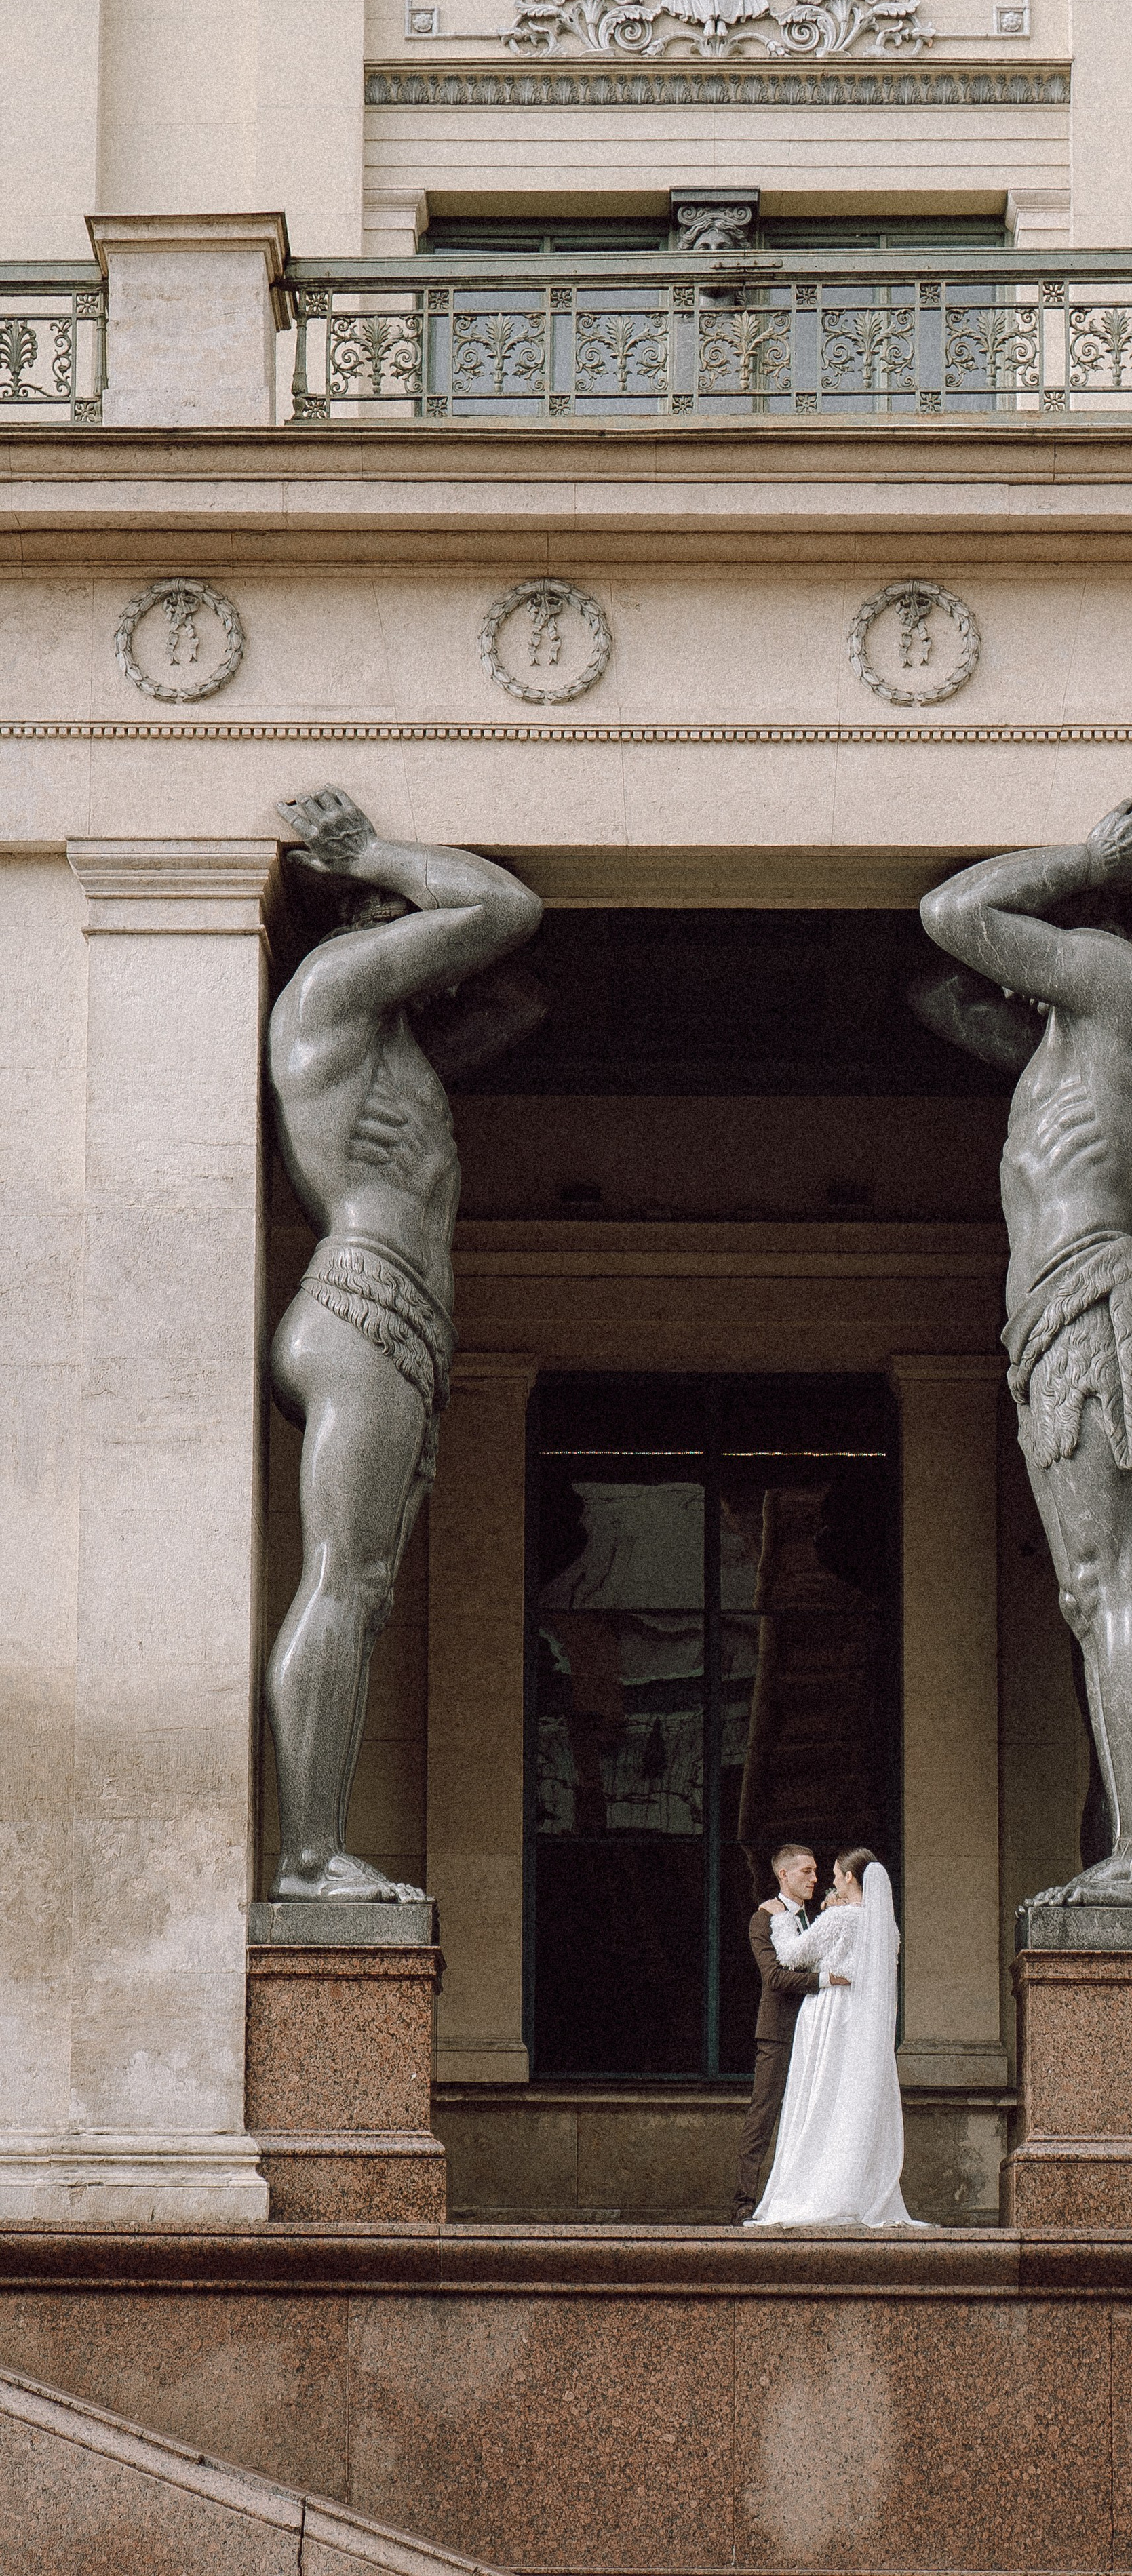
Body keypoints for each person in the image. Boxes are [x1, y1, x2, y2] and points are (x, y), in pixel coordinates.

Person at [914, 799, 1132, 1908]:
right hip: (1062, 1319)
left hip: (1092, 1305)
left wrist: (1086, 861)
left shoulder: (1123, 992)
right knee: (1100, 1594)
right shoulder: (1072, 1037)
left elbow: (953, 914)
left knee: (1109, 1582)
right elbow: (935, 991)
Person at [264, 787, 545, 1902]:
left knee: (363, 1588)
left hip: (401, 1324)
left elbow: (516, 998)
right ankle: (310, 1859)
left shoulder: (389, 1044)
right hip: (360, 1304)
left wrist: (428, 954)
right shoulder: (328, 990)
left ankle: (316, 1850)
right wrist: (375, 853)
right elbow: (504, 907)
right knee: (342, 1580)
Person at [749, 1849, 916, 2227]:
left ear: (852, 1879)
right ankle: (855, 2190)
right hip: (863, 2023)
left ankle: (812, 2188)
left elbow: (791, 1956)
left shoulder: (839, 1918)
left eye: (838, 1875)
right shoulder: (887, 1928)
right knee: (848, 2102)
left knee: (818, 2099)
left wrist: (780, 1922)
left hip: (830, 2017)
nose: (831, 1881)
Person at [733, 1842, 849, 2220]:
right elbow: (775, 1977)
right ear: (784, 1874)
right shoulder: (764, 1918)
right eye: (807, 1872)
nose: (815, 1879)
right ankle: (742, 2205)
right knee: (763, 2116)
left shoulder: (813, 1919)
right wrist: (825, 1980)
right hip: (779, 2031)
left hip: (816, 2028)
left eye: (817, 1872)